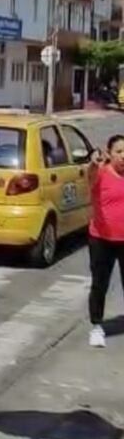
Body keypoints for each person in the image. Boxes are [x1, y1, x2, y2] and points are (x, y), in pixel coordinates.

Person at [87, 134, 124, 348]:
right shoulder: (100, 174)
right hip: (101, 240)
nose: (123, 156)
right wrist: (93, 163)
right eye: (119, 151)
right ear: (110, 154)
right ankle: (97, 327)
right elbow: (90, 174)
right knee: (100, 284)